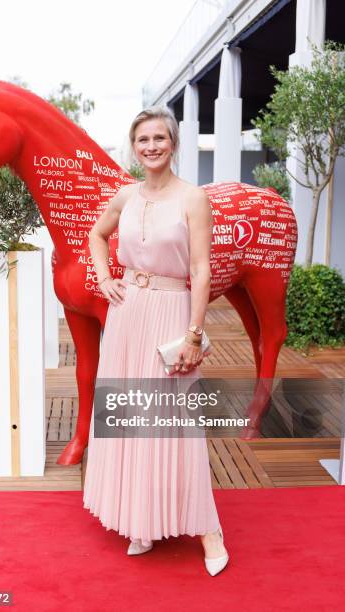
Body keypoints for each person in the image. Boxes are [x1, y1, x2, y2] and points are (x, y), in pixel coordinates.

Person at [83, 106, 229, 576]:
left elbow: (202, 269)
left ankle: (209, 531)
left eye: (159, 138)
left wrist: (194, 333)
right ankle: (141, 521)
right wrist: (105, 277)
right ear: (134, 145)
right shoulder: (124, 195)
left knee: (177, 423)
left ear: (174, 143)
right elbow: (96, 234)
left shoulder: (193, 198)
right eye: (143, 139)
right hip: (127, 315)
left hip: (172, 314)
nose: (151, 146)